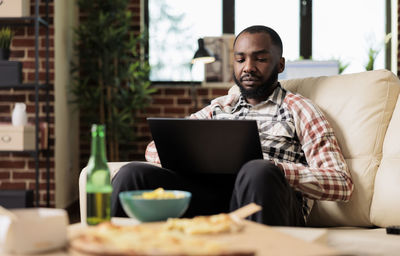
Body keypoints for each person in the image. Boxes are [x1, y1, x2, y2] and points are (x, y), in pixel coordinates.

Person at [111, 25, 354, 226]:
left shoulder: (299, 108)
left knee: (257, 171)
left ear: (280, 65)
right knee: (133, 174)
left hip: (267, 198)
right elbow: (154, 149)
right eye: (240, 59)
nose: (248, 67)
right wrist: (193, 158)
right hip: (211, 199)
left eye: (259, 58)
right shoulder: (220, 107)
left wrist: (277, 169)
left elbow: (341, 183)